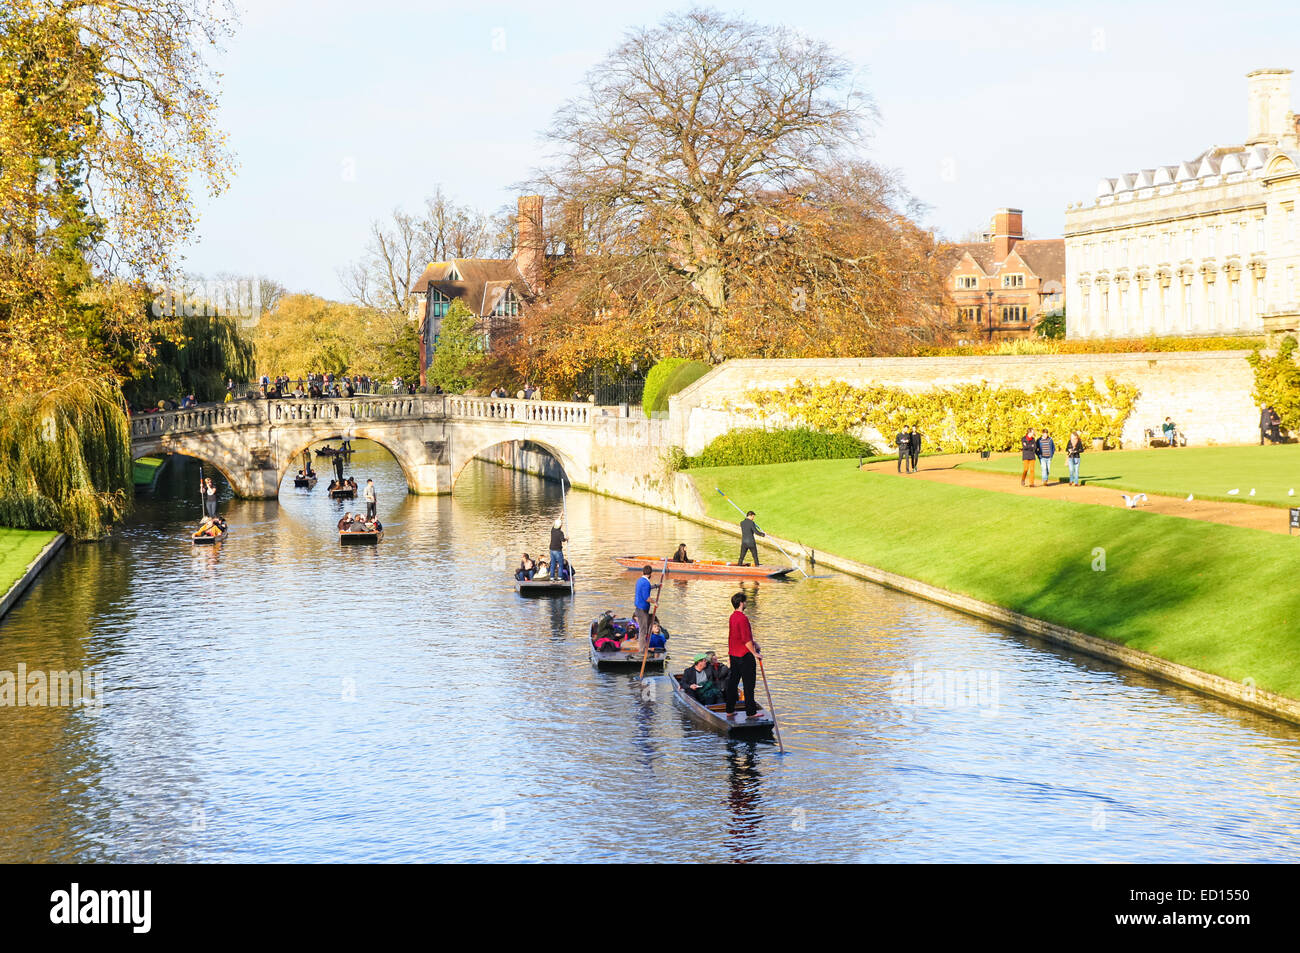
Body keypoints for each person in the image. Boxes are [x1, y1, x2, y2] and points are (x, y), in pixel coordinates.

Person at [725, 591, 761, 719]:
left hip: (734, 655)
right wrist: (755, 653)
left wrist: (754, 642)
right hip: (744, 656)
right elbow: (746, 640)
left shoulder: (732, 617)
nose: (746, 603)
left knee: (733, 683)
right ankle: (751, 712)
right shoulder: (743, 618)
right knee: (749, 684)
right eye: (745, 601)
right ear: (741, 603)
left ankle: (729, 709)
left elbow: (739, 636)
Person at [633, 565, 659, 648]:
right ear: (650, 574)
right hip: (642, 610)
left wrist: (655, 586)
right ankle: (642, 650)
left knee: (644, 629)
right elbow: (646, 598)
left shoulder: (640, 580)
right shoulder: (646, 583)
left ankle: (644, 647)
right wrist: (655, 602)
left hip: (639, 608)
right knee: (643, 631)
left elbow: (645, 589)